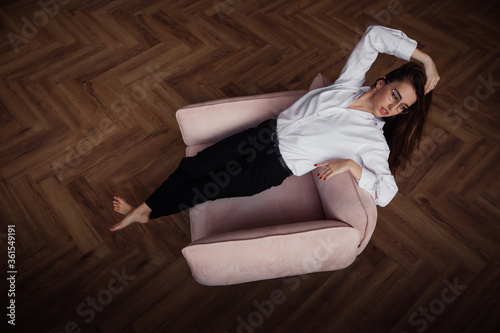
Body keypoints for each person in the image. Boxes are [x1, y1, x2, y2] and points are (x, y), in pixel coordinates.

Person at [110, 25, 440, 232]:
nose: (393, 107)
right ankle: (148, 206)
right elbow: (374, 36)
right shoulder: (349, 84)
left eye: (402, 107)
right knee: (193, 166)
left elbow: (388, 192)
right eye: (395, 95)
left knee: (203, 189)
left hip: (269, 169)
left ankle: (147, 213)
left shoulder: (372, 140)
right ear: (382, 82)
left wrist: (354, 167)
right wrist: (425, 60)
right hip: (261, 136)